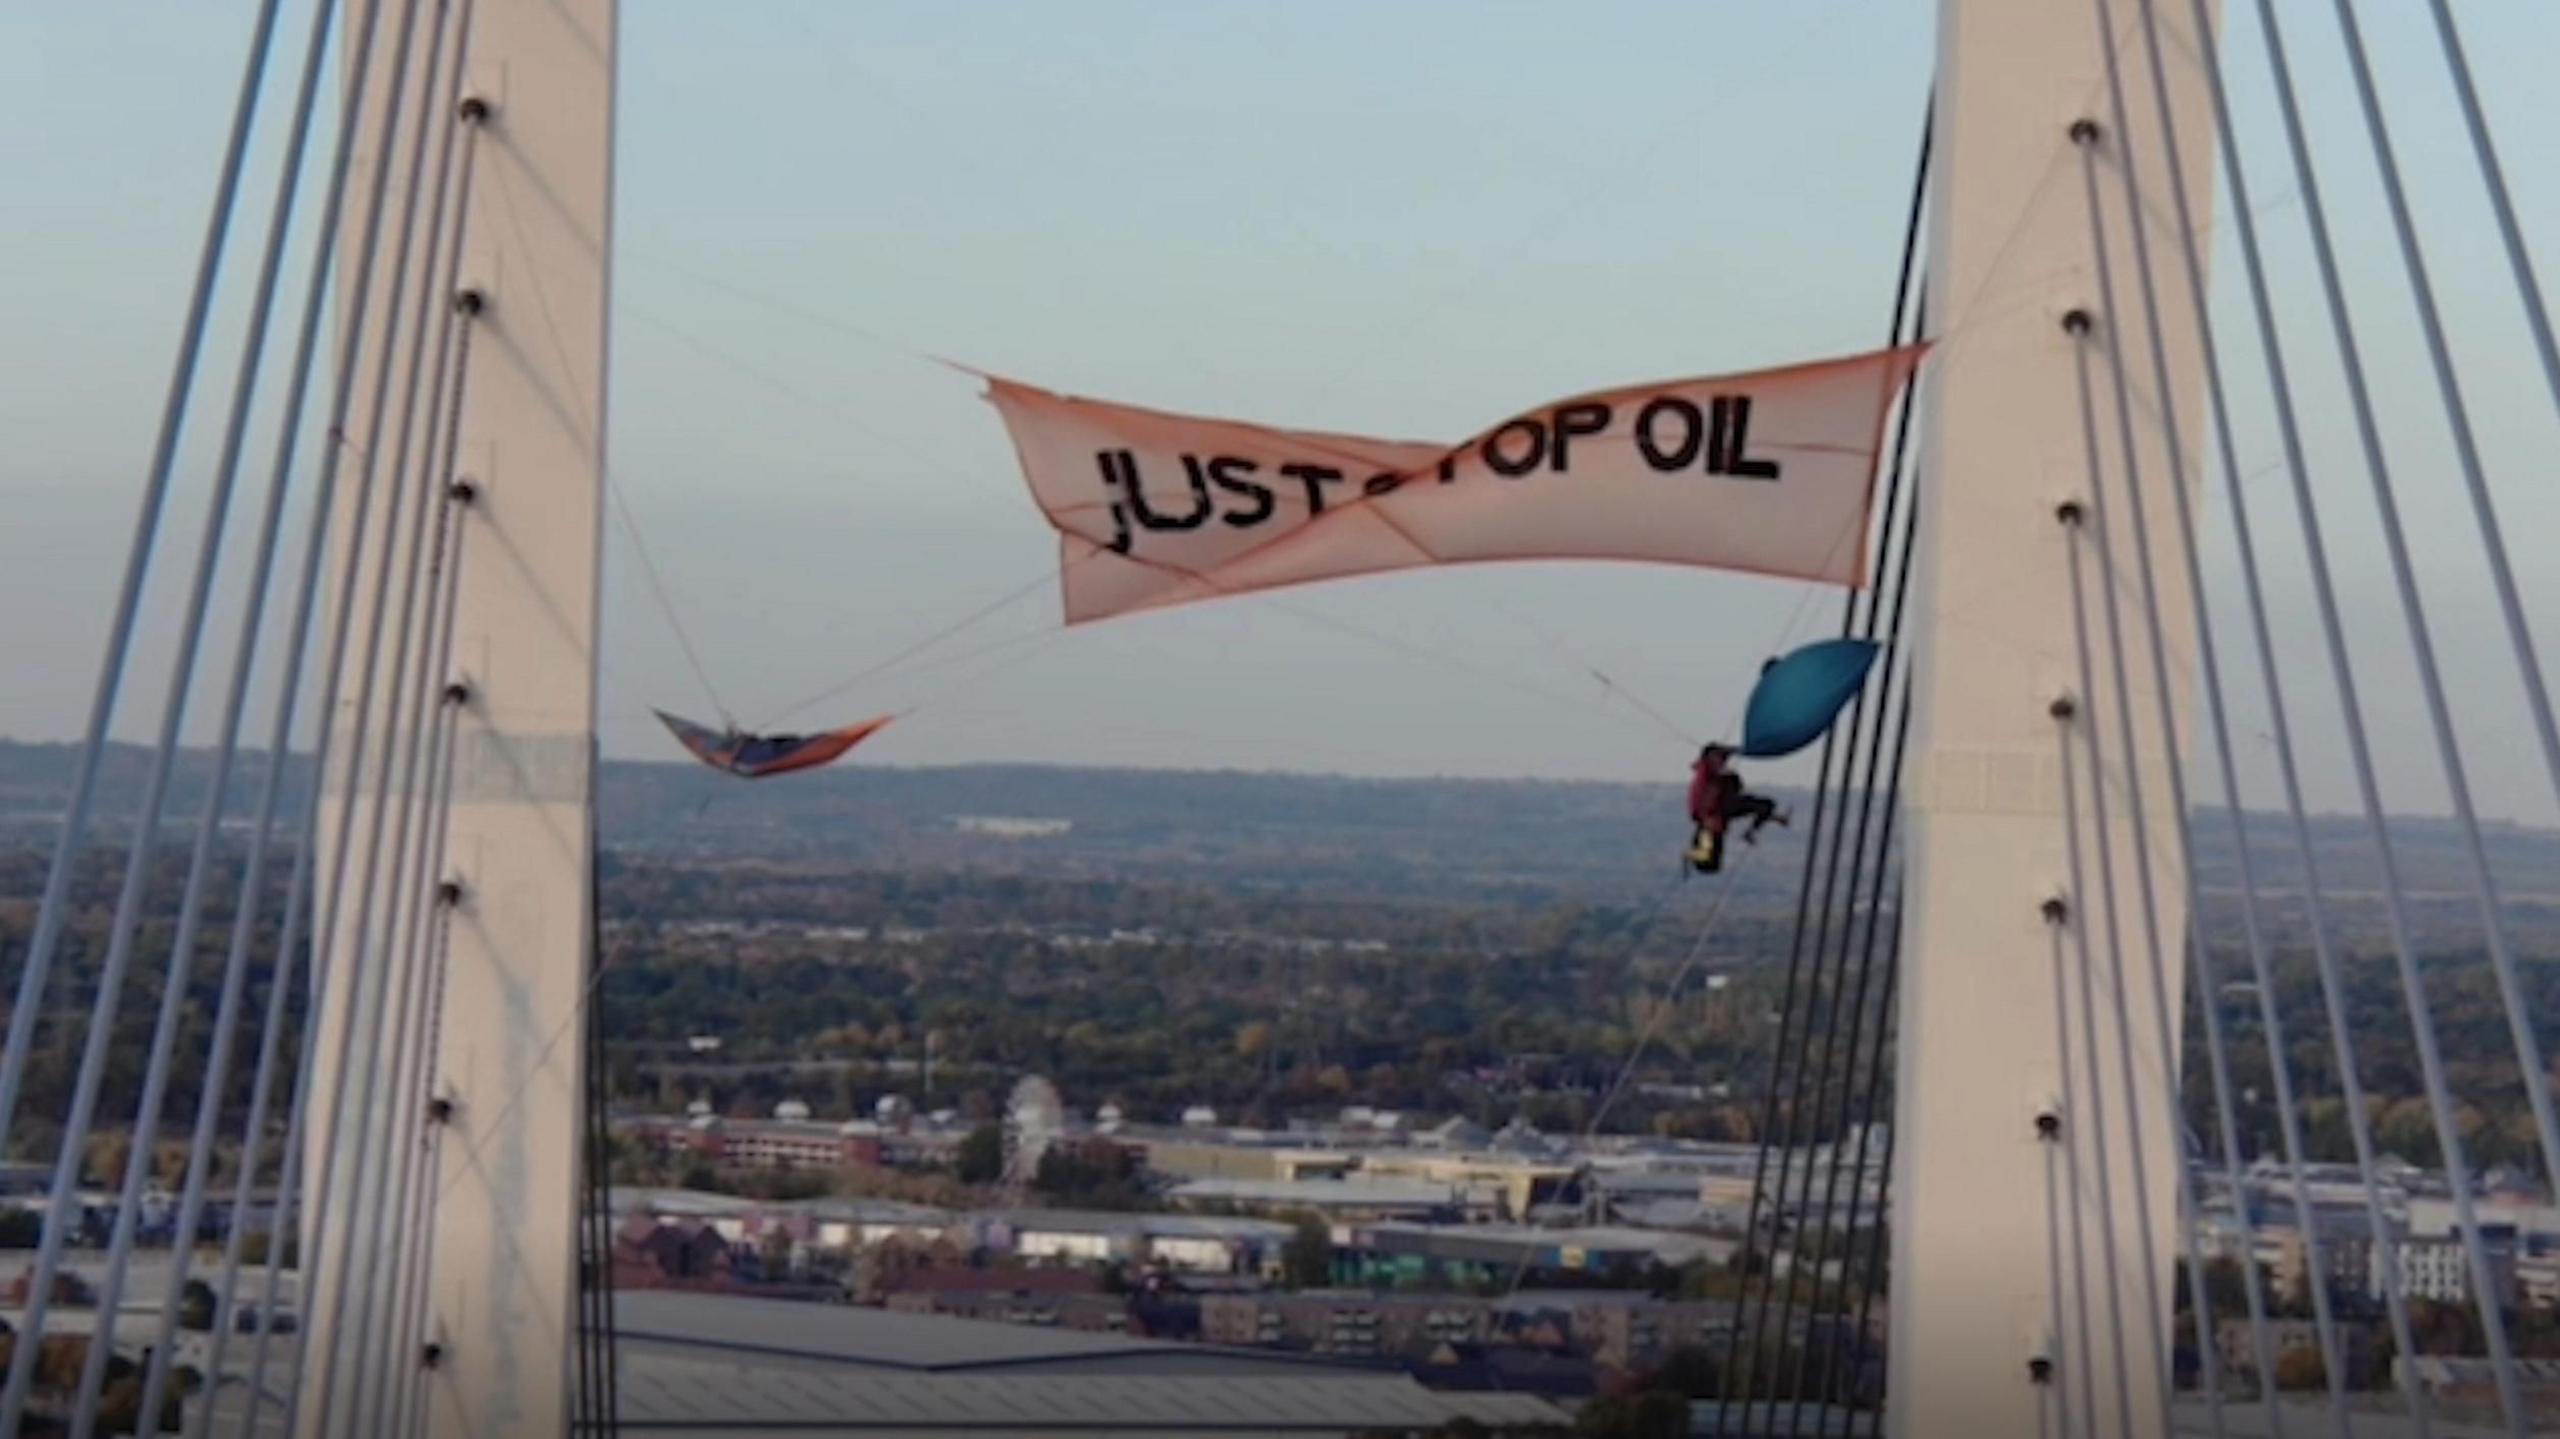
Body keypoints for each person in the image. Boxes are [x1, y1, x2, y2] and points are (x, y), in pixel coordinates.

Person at [1685, 743, 1786, 873]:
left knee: (1766, 805)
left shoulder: (1713, 790)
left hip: (1720, 809)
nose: (1723, 763)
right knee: (1710, 862)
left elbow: (1750, 809)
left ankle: (1748, 834)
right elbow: (1711, 754)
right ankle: (1746, 835)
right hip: (1718, 812)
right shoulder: (1706, 773)